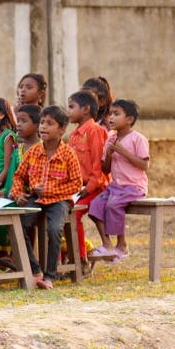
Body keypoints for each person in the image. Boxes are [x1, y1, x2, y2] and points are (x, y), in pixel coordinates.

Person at [10, 106, 82, 290]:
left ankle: (50, 275)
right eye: (42, 122)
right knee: (18, 225)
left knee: (54, 229)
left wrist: (49, 190)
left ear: (62, 129)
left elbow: (75, 184)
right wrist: (18, 194)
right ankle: (35, 269)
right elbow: (19, 176)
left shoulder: (68, 154)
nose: (44, 127)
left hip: (59, 200)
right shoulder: (33, 152)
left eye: (50, 123)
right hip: (36, 199)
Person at [87, 100, 150, 262]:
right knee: (95, 205)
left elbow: (144, 165)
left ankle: (122, 245)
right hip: (115, 187)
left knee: (113, 205)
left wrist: (123, 152)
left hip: (134, 187)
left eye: (116, 114)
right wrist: (108, 154)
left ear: (129, 119)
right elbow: (105, 169)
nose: (111, 118)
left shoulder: (138, 139)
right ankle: (107, 244)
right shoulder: (110, 139)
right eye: (110, 114)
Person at [67, 91, 109, 272]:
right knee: (58, 212)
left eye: (71, 107)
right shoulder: (74, 135)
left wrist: (88, 187)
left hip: (96, 187)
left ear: (85, 109)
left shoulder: (96, 131)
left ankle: (80, 260)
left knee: (73, 214)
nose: (68, 111)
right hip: (78, 188)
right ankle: (65, 259)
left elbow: (98, 165)